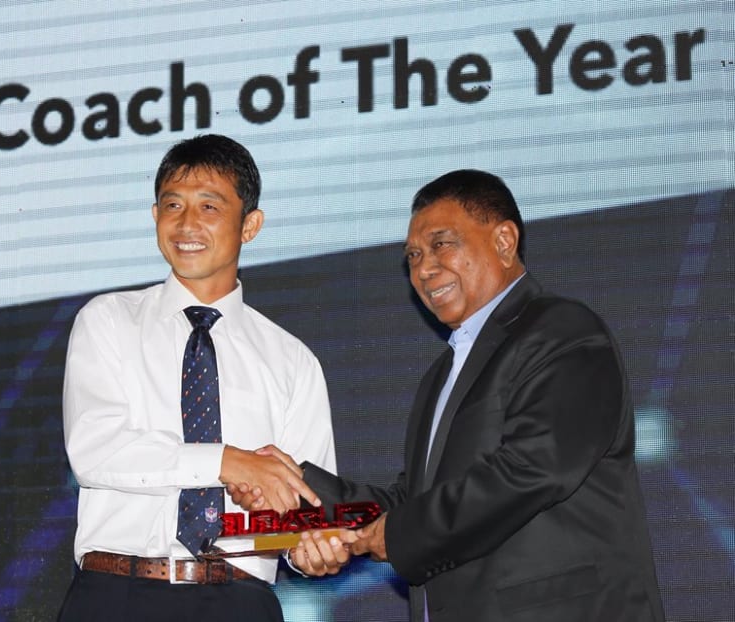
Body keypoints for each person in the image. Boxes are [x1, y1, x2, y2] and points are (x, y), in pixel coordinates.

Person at [234, 169, 665, 621]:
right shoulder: (442, 374)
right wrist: (297, 488)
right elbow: (415, 500)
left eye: (441, 245)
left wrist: (396, 535)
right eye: (413, 256)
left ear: (503, 241)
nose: (422, 268)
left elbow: (532, 470)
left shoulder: (563, 331)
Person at [58, 134, 336, 622]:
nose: (187, 224)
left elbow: (300, 514)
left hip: (240, 601)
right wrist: (228, 463)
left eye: (210, 206)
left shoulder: (292, 360)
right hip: (116, 593)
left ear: (250, 225)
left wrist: (304, 549)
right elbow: (94, 450)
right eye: (173, 205)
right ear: (154, 215)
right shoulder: (108, 320)